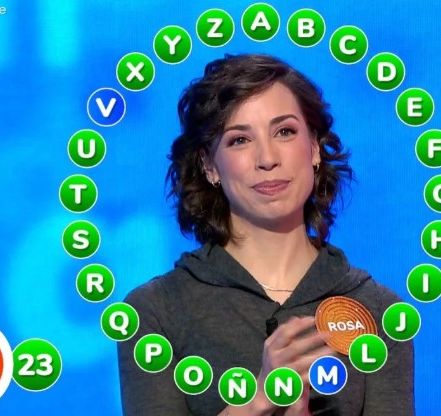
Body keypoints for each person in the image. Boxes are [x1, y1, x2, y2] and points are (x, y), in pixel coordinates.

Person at [118, 54, 414, 416]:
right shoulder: (155, 312)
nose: (267, 158)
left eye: (284, 132)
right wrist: (257, 401)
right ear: (209, 165)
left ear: (314, 147)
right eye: (239, 140)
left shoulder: (380, 311)